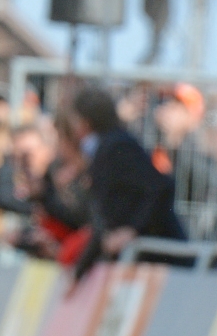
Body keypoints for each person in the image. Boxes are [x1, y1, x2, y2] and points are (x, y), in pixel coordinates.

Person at [69, 85, 184, 279]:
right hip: (144, 263)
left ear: (85, 121)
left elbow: (160, 186)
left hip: (162, 260)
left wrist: (132, 229)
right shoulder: (106, 147)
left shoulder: (118, 147)